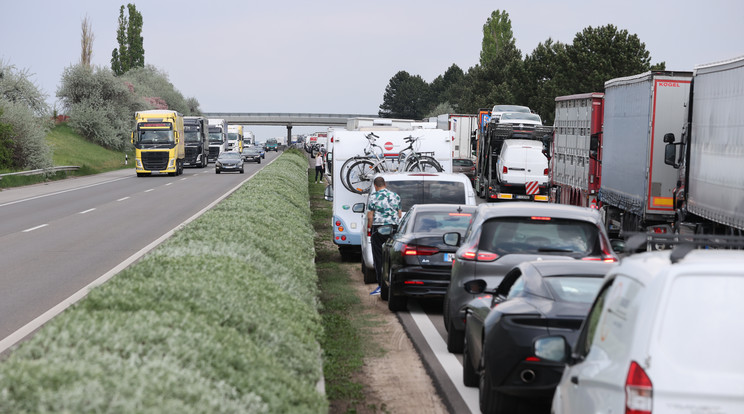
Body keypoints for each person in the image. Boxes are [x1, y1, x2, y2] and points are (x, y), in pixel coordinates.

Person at [366, 177, 402, 295]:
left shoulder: (373, 197)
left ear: (375, 186)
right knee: (392, 256)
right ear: (385, 184)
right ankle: (394, 283)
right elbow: (400, 214)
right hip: (393, 228)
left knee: (379, 258)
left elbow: (370, 216)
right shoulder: (396, 196)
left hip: (379, 228)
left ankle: (381, 286)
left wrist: (371, 229)